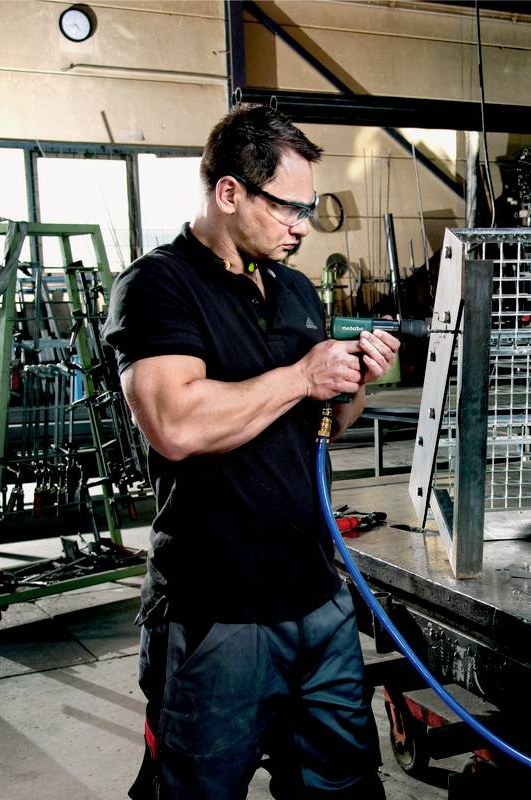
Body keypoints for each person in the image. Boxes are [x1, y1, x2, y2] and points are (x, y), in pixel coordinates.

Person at [103, 103, 398, 800]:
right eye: (288, 208)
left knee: (344, 784)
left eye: (308, 210)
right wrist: (300, 374)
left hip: (316, 598)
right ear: (229, 192)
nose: (301, 226)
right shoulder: (159, 286)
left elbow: (321, 427)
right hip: (221, 611)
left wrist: (351, 380)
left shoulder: (295, 289)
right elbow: (174, 423)